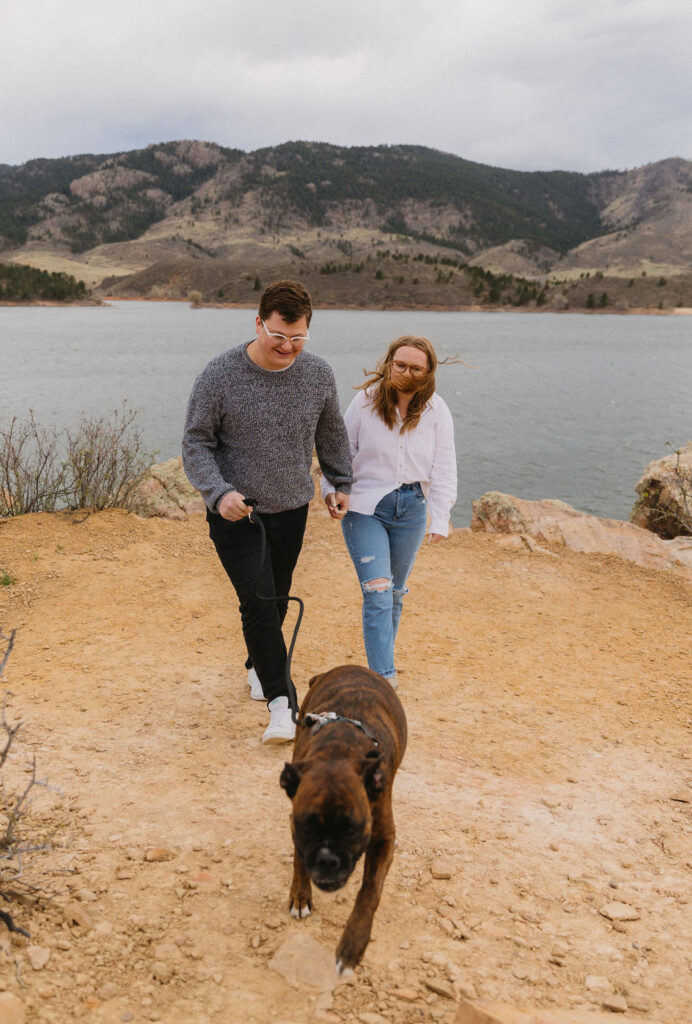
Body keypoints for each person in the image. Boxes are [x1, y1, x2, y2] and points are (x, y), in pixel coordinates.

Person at [182, 280, 352, 744]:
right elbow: (196, 443)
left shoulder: (318, 374)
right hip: (237, 512)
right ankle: (284, 704)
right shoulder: (220, 374)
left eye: (298, 338)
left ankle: (259, 664)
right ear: (258, 323)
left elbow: (332, 434)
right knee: (257, 601)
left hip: (292, 506)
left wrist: (339, 484)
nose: (287, 346)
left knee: (276, 596)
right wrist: (219, 494)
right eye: (279, 335)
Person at [323, 335, 457, 689]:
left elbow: (444, 466)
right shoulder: (364, 402)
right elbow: (340, 451)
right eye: (400, 365)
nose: (406, 372)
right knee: (378, 590)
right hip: (365, 506)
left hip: (412, 507)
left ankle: (383, 661)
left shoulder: (436, 410)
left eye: (416, 368)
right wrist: (331, 490)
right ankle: (383, 678)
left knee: (395, 593)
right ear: (388, 364)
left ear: (427, 373)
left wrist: (440, 517)